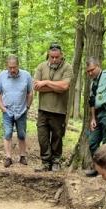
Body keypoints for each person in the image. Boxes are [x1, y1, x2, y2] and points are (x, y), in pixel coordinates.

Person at [33, 43, 73, 172]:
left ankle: (56, 161)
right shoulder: (41, 66)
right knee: (42, 137)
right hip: (43, 109)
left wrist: (45, 82)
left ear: (61, 55)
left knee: (57, 137)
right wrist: (55, 86)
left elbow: (64, 87)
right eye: (52, 57)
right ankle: (45, 163)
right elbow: (36, 87)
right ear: (48, 55)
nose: (54, 60)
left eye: (57, 57)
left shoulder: (67, 68)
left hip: (59, 110)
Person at [0, 55, 34, 168]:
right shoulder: (2, 75)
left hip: (21, 111)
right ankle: (8, 157)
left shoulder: (26, 75)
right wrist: (2, 108)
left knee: (21, 134)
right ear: (7, 66)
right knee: (7, 133)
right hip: (7, 111)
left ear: (18, 65)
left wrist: (27, 106)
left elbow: (30, 93)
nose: (12, 70)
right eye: (10, 67)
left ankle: (22, 156)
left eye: (14, 67)